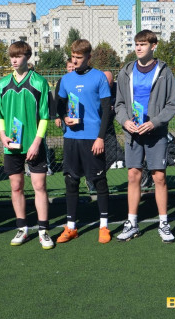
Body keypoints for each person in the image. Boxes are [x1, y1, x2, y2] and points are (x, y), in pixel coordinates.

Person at [115, 30, 175, 243]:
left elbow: (172, 104)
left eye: (143, 44)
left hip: (155, 133)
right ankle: (132, 223)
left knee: (159, 176)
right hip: (133, 133)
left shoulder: (164, 72)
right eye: (137, 44)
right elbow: (119, 104)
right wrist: (125, 121)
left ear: (153, 46)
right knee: (133, 175)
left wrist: (154, 122)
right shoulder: (126, 71)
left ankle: (164, 223)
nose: (139, 47)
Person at [0, 41, 54, 249]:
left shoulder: (39, 82)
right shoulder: (2, 84)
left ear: (27, 57)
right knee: (16, 187)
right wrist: (2, 135)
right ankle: (22, 228)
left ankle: (43, 230)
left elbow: (45, 116)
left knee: (39, 186)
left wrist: (37, 142)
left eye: (18, 56)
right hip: (11, 145)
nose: (14, 59)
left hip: (33, 145)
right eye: (12, 56)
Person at [56, 39, 112, 244]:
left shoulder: (99, 77)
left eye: (79, 57)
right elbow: (59, 105)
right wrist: (64, 117)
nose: (75, 61)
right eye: (73, 57)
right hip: (71, 138)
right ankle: (71, 227)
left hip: (93, 139)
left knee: (99, 181)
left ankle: (104, 226)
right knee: (71, 181)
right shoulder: (66, 79)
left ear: (89, 57)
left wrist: (100, 137)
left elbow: (106, 110)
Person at [103, 71, 124, 170]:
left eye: (110, 83)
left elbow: (121, 101)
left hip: (113, 116)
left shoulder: (116, 88)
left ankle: (118, 159)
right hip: (99, 119)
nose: (109, 85)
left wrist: (114, 107)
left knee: (111, 138)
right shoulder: (97, 88)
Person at [54, 61, 75, 129]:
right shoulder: (62, 80)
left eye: (73, 67)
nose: (71, 69)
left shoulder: (81, 79)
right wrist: (57, 116)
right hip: (66, 114)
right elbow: (57, 98)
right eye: (69, 67)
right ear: (66, 68)